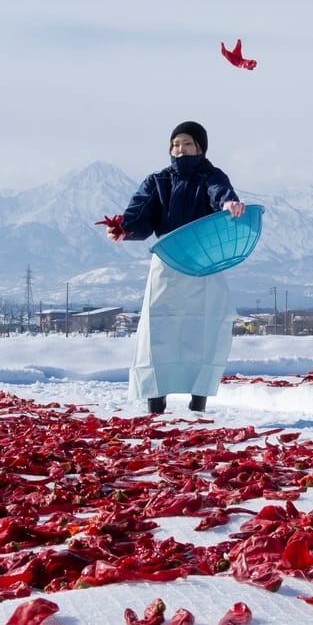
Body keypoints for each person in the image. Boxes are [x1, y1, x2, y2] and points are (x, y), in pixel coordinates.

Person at [106, 120, 245, 415]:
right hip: (167, 258)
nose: (181, 149)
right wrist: (124, 229)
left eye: (188, 144)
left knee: (204, 327)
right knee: (158, 328)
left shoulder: (210, 175)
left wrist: (228, 204)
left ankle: (199, 400)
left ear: (200, 148)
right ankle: (155, 400)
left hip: (204, 259)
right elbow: (140, 215)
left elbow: (220, 193)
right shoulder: (158, 180)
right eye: (176, 144)